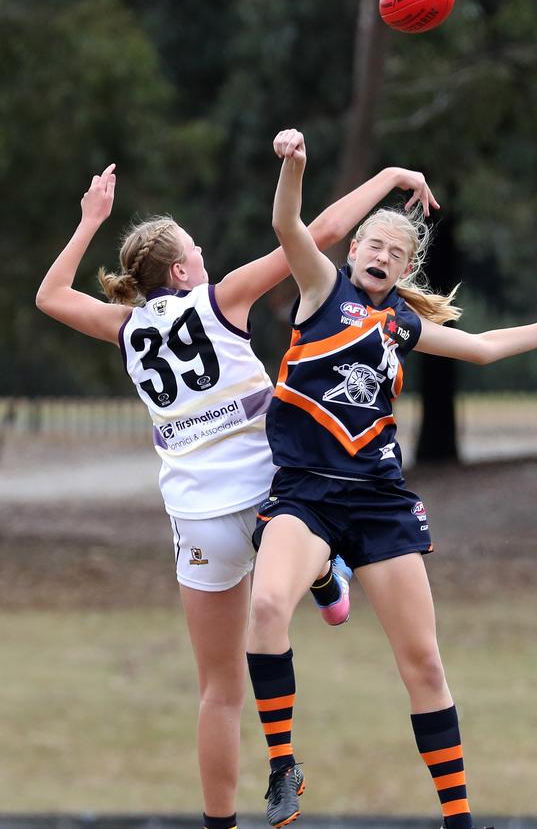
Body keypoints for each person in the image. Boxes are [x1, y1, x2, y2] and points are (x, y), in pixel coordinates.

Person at [35, 159, 438, 829]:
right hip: (272, 491)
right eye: (196, 251)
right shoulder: (221, 300)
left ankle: (220, 826)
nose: (205, 256)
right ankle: (324, 578)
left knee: (220, 693)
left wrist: (88, 222)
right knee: (320, 520)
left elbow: (51, 295)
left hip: (198, 517)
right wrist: (391, 176)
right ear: (184, 274)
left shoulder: (127, 327)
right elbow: (326, 228)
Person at [246, 128, 537, 829]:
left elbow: (484, 347)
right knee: (264, 610)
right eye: (373, 246)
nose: (382, 255)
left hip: (379, 503)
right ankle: (284, 765)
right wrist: (298, 164)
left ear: (407, 268)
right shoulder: (322, 289)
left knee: (425, 666)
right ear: (353, 254)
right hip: (307, 495)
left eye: (397, 252)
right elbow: (287, 223)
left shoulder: (400, 323)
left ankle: (460, 820)